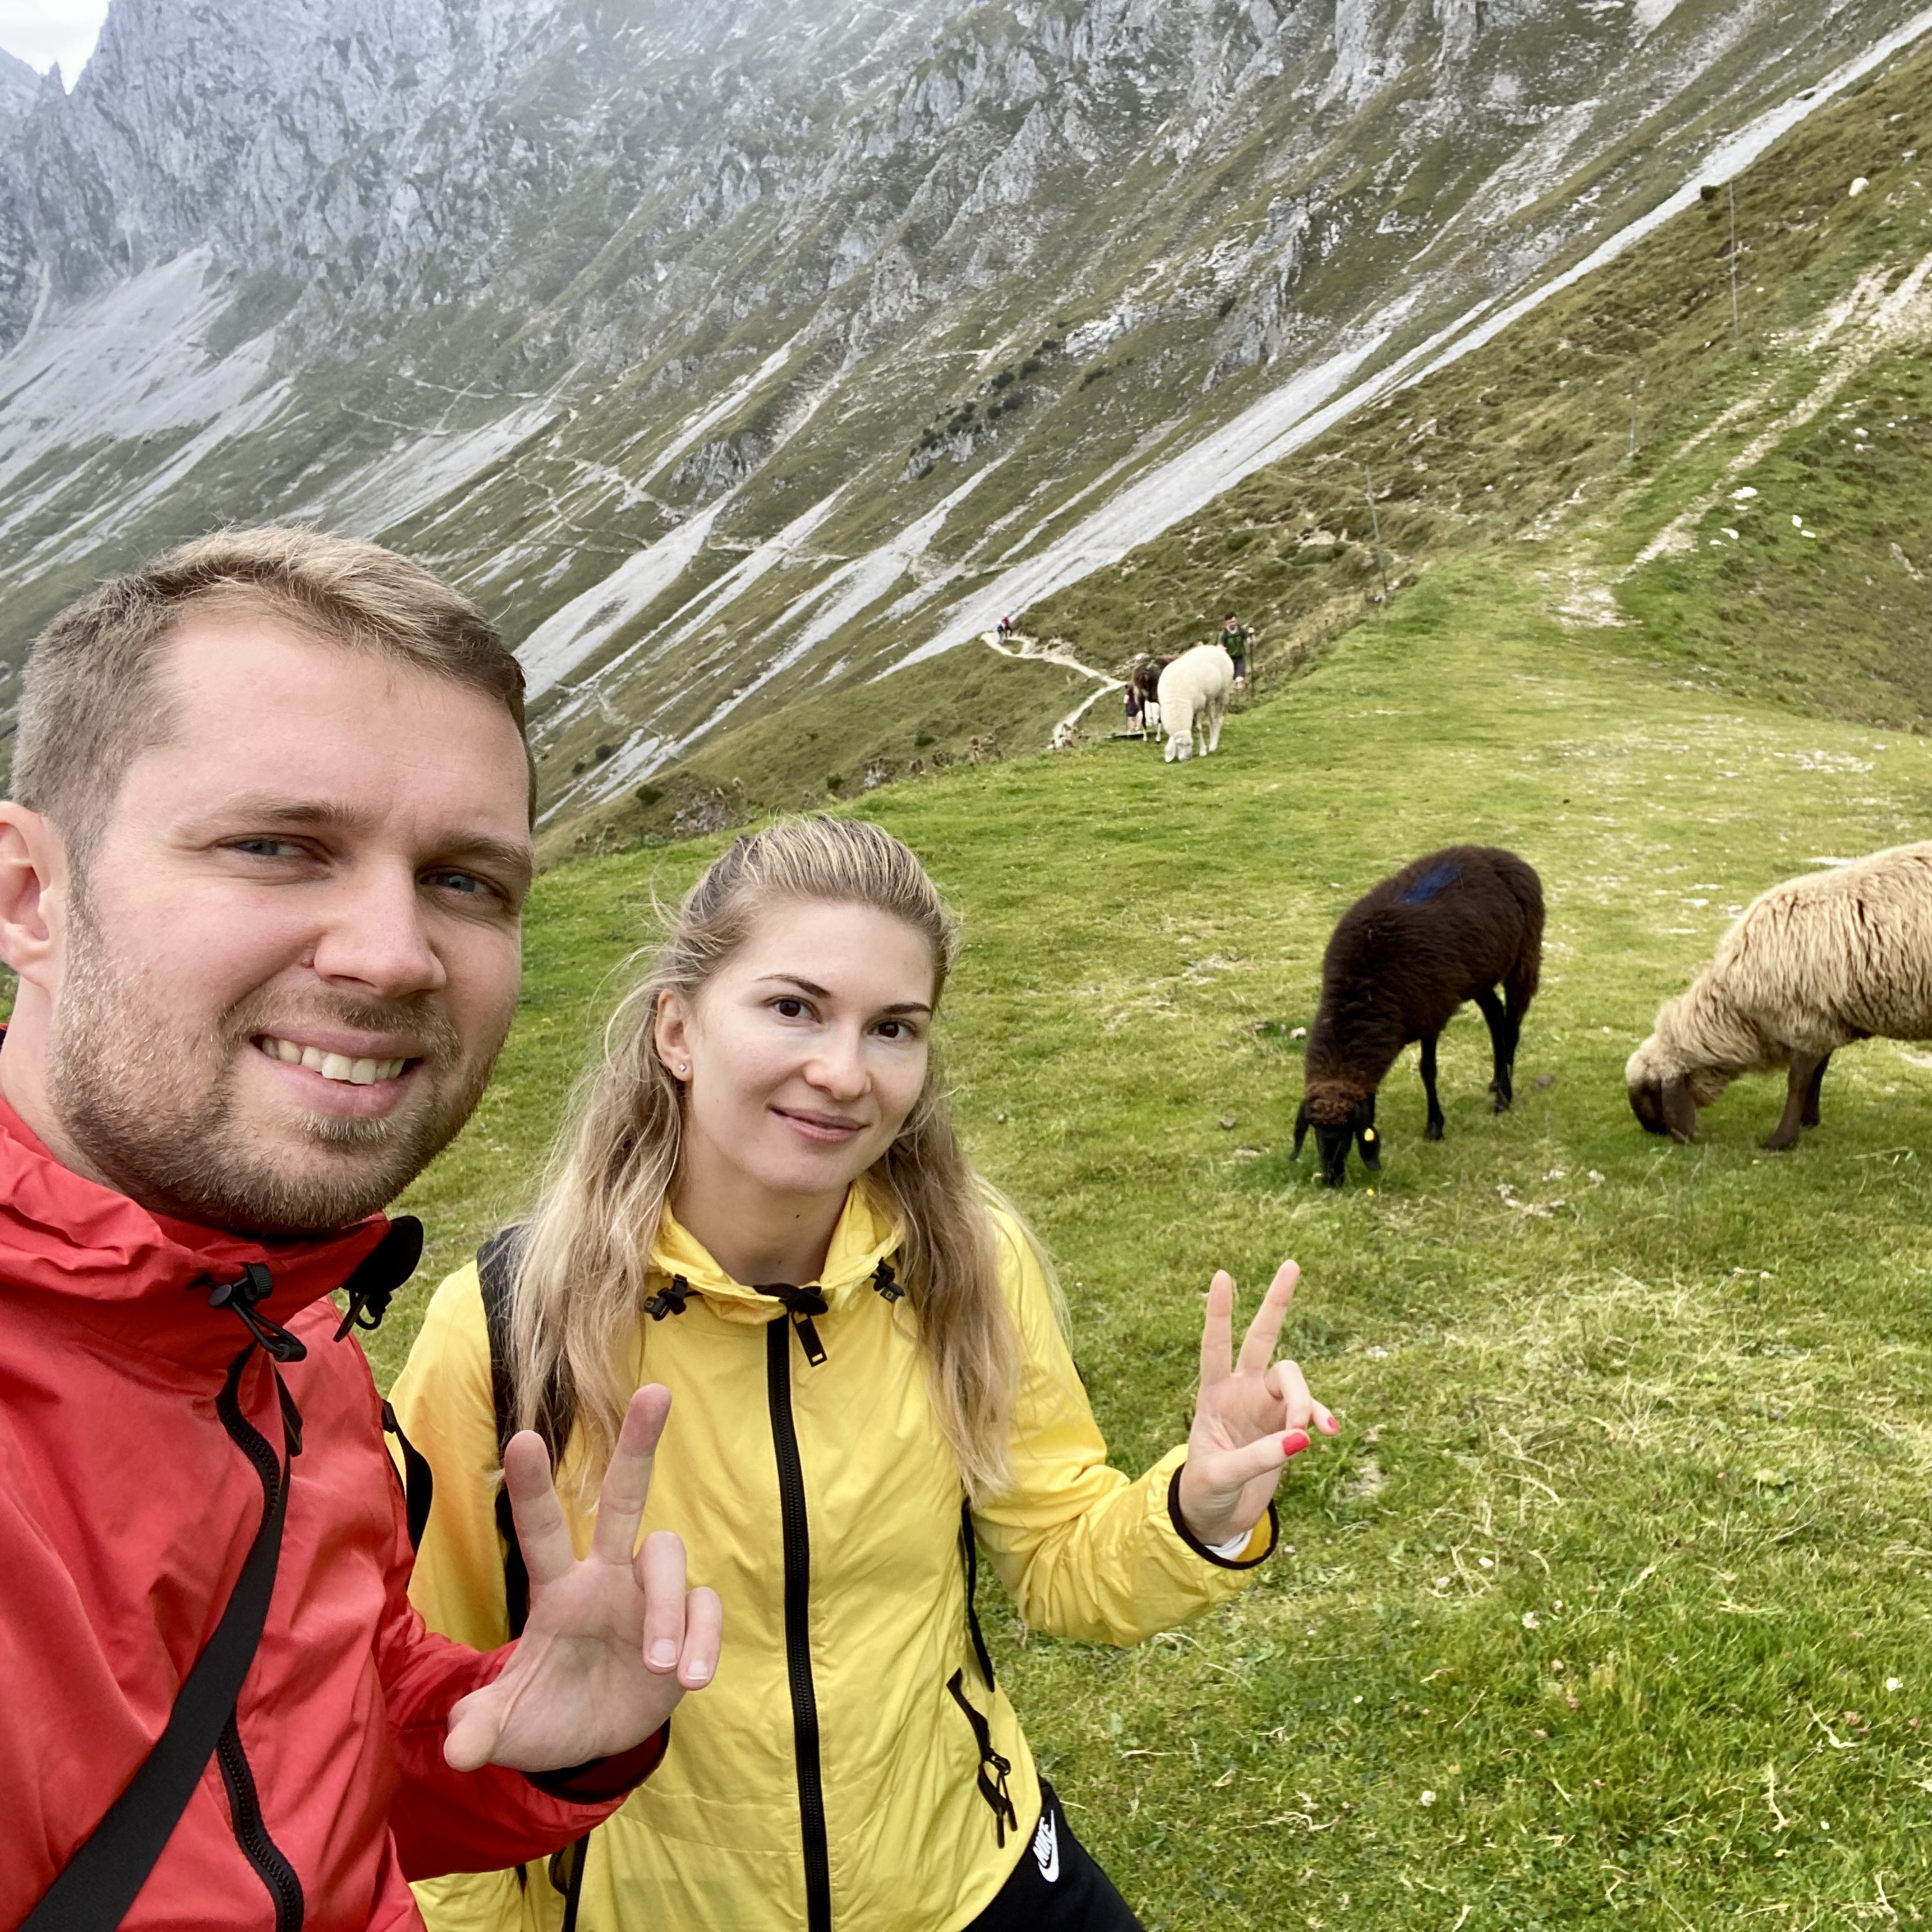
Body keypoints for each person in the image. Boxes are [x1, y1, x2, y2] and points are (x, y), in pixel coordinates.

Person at [390, 816, 1338, 1932]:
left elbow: (1057, 1558)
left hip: (970, 1878)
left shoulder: (962, 1260)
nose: (842, 1073)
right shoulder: (501, 1328)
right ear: (677, 1027)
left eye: (893, 1027)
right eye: (792, 1006)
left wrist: (1196, 1507)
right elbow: (428, 1722)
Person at [0, 529, 722, 1931]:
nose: (392, 953)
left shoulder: (285, 1319)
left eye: (465, 882)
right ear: (29, 892)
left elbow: (279, 1747)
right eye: (276, 846)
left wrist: (526, 1722)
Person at [1218, 613, 1251, 687]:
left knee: (1240, 676)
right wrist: (1222, 649)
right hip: (1229, 659)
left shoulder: (1241, 630)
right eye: (1231, 622)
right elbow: (1220, 645)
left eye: (1234, 622)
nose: (1233, 624)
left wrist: (1250, 640)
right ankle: (1237, 689)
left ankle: (1240, 689)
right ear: (1227, 623)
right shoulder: (1224, 634)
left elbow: (1248, 638)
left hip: (1240, 657)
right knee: (1232, 677)